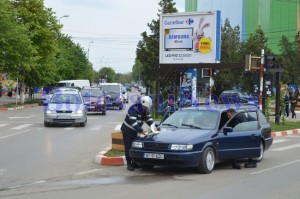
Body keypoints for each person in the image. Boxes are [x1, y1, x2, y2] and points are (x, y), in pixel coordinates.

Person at [121, 96, 157, 171]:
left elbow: (149, 120)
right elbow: (134, 123)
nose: (147, 109)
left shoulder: (145, 110)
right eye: (146, 107)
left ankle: (134, 163)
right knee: (128, 147)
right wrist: (142, 131)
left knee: (135, 147)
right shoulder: (132, 109)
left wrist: (155, 127)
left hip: (135, 131)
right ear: (142, 104)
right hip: (127, 131)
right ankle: (129, 164)